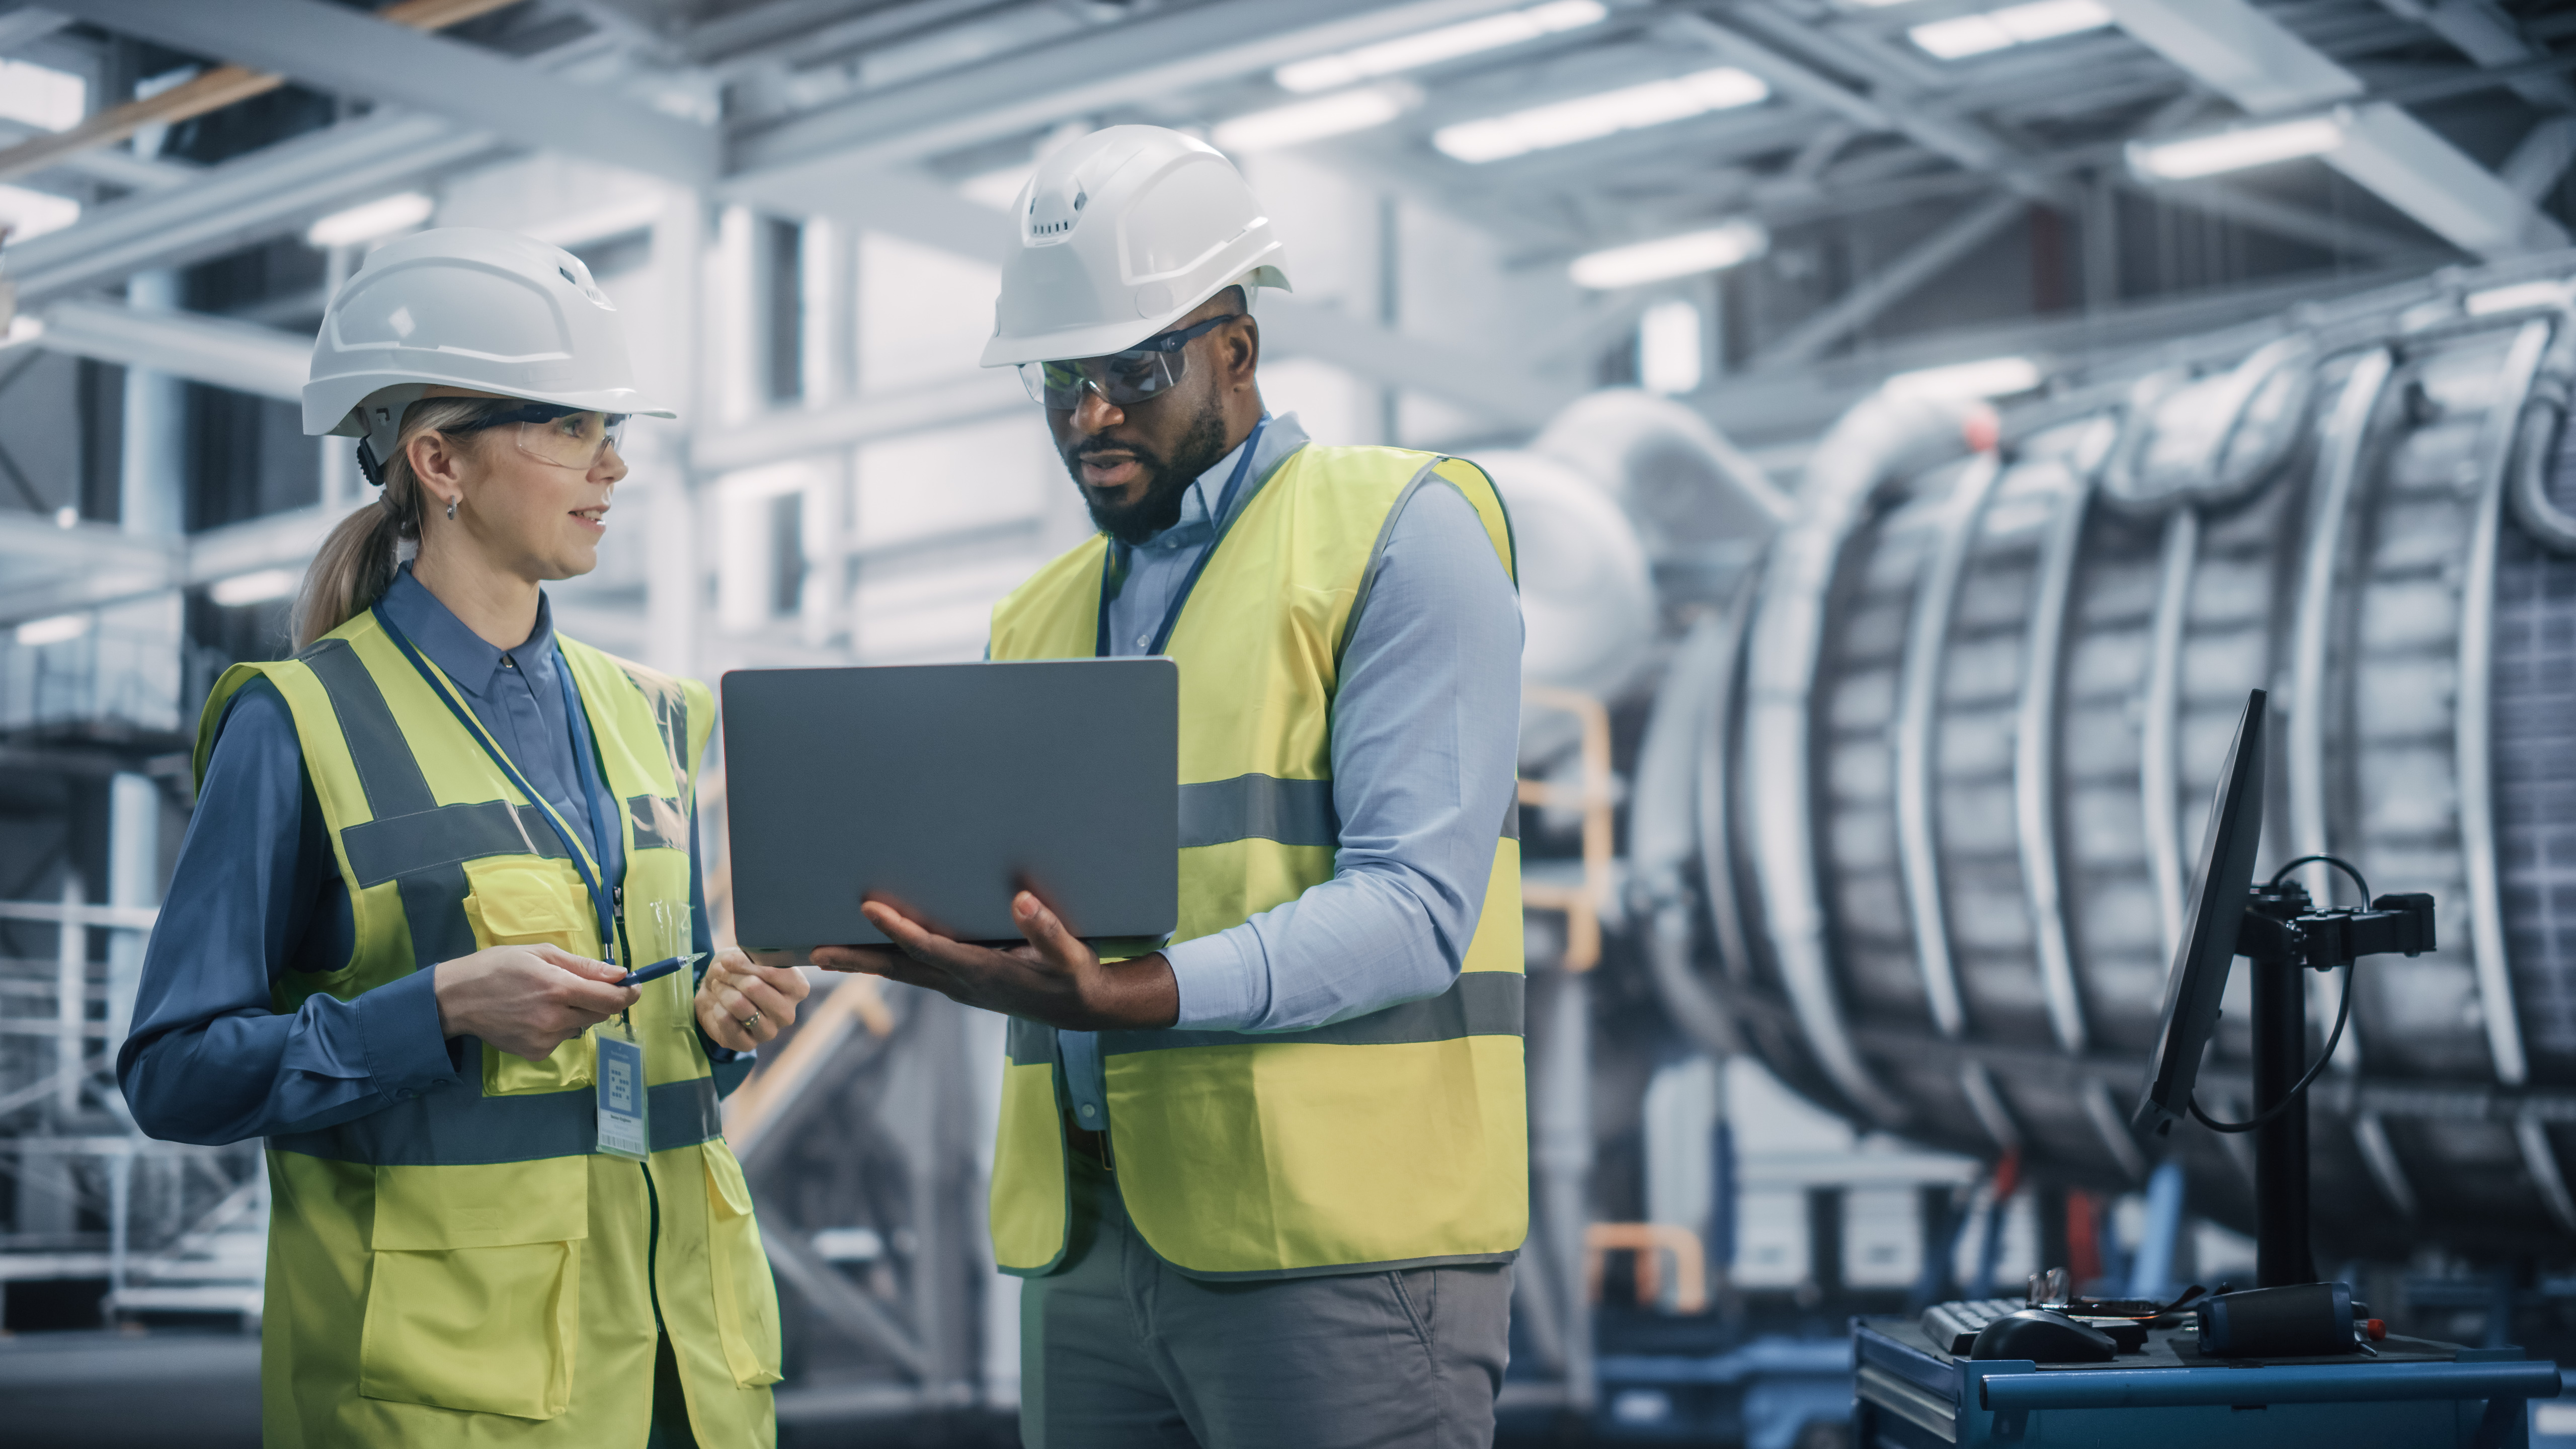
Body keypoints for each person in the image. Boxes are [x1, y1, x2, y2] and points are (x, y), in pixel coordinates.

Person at [814, 127, 1528, 1448]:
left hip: (1340, 1259)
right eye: (1061, 376)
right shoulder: (1035, 619)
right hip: (1088, 1247)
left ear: (1234, 353)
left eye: (1132, 371)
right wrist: (930, 936)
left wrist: (1135, 996)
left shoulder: (1399, 536)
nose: (1089, 413)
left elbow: (1418, 905)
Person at [117, 227, 809, 1448]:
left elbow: (649, 1066)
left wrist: (720, 1029)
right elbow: (174, 1072)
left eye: (614, 431)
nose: (614, 467)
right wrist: (431, 1008)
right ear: (439, 460)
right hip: (451, 1405)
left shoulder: (656, 715)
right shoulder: (297, 724)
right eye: (571, 429)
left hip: (684, 1381)